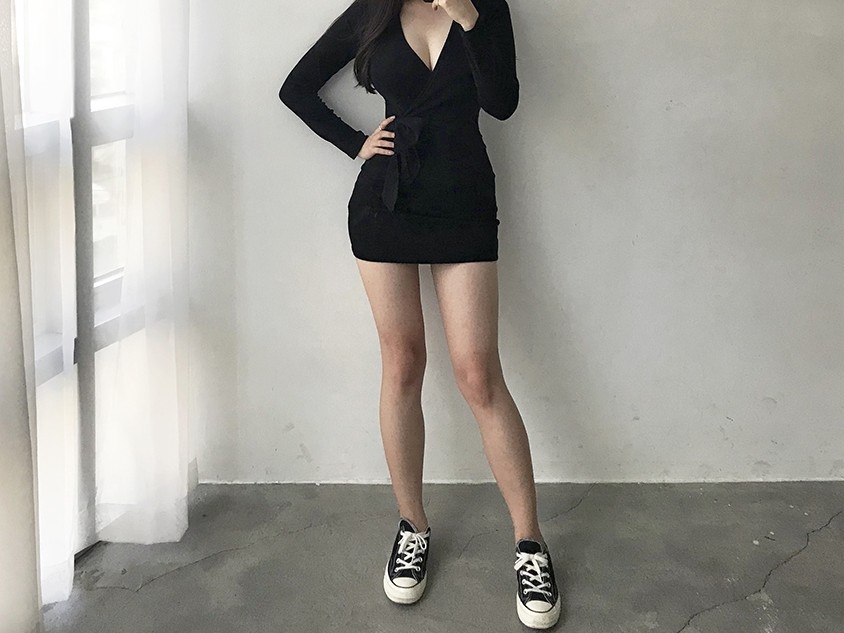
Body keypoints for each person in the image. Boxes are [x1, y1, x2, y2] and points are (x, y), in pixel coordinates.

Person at [278, 0, 560, 627]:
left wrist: (469, 19)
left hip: (463, 201)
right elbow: (296, 88)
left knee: (478, 374)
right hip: (386, 201)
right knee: (402, 363)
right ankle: (412, 527)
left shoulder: (485, 7)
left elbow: (503, 103)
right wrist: (355, 143)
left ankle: (530, 543)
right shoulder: (374, 10)